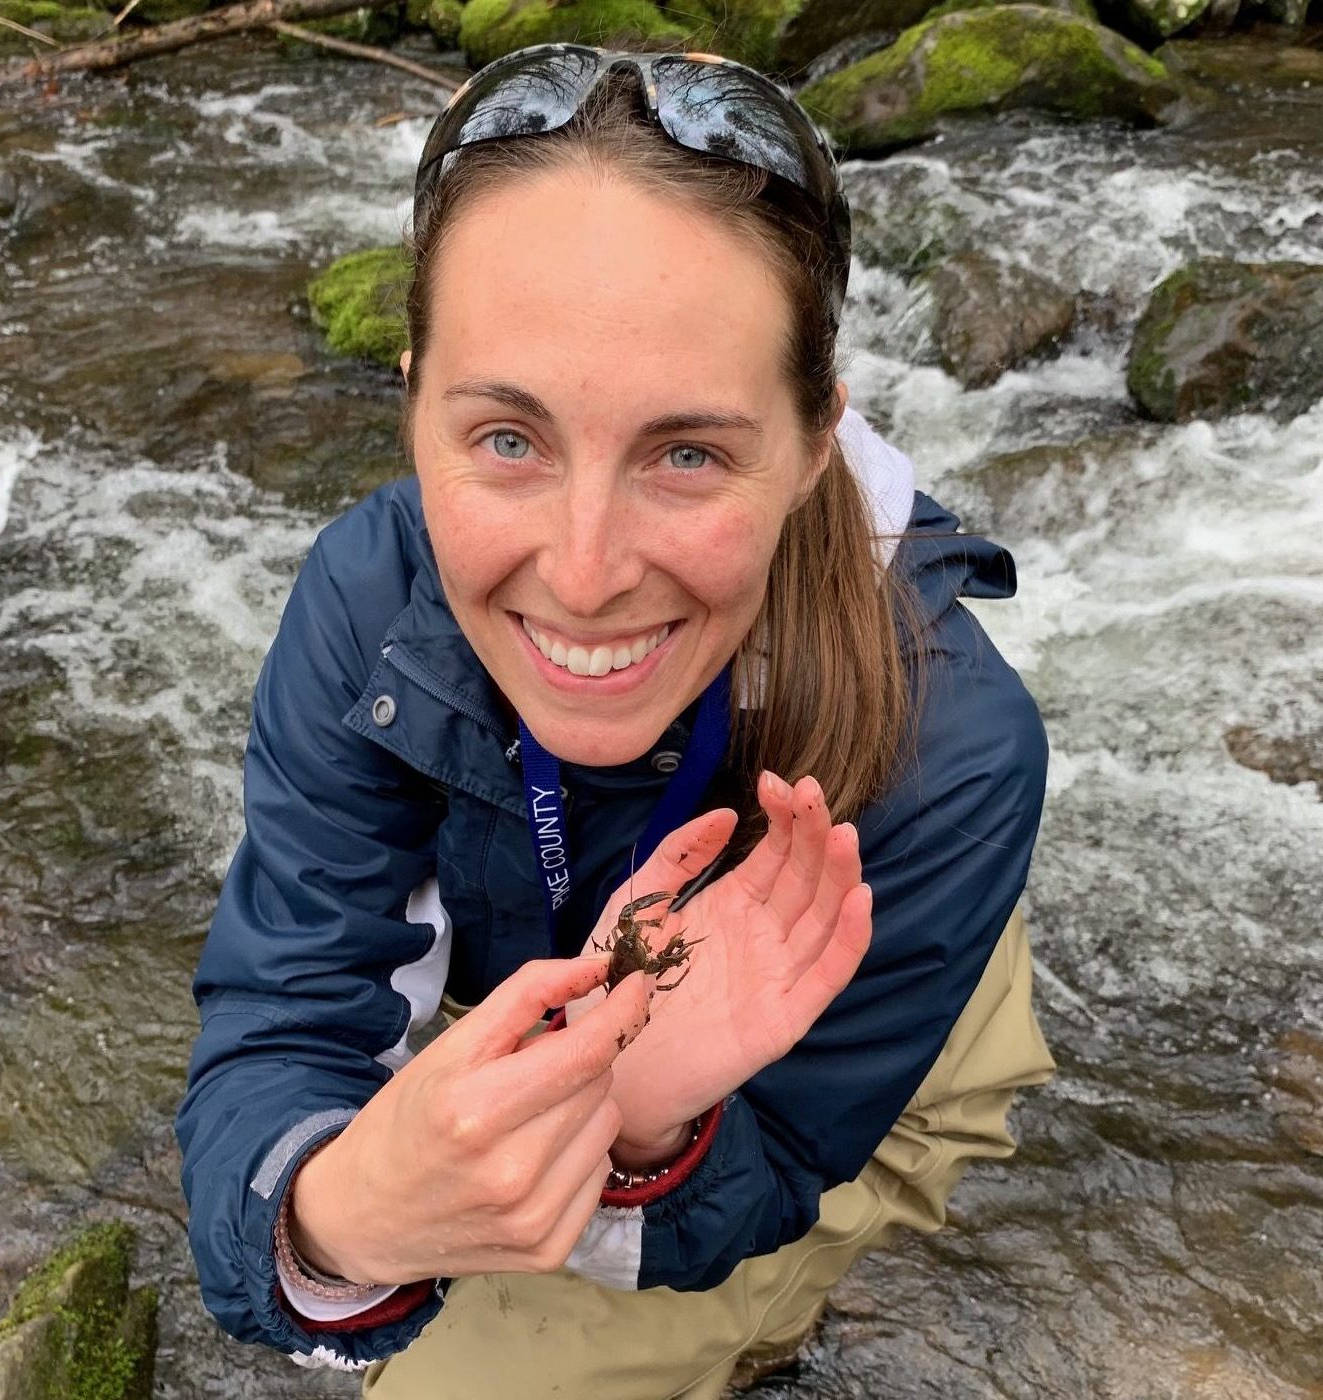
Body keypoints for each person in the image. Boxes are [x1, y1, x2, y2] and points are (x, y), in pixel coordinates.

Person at [175, 41, 1056, 1399]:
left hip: (842, 982)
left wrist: (647, 1127)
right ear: (413, 398)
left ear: (819, 437)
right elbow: (282, 1022)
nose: (584, 576)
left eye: (687, 452)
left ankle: (781, 1331)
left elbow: (763, 1177)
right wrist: (333, 1221)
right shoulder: (369, 602)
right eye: (509, 440)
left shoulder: (951, 746)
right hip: (566, 945)